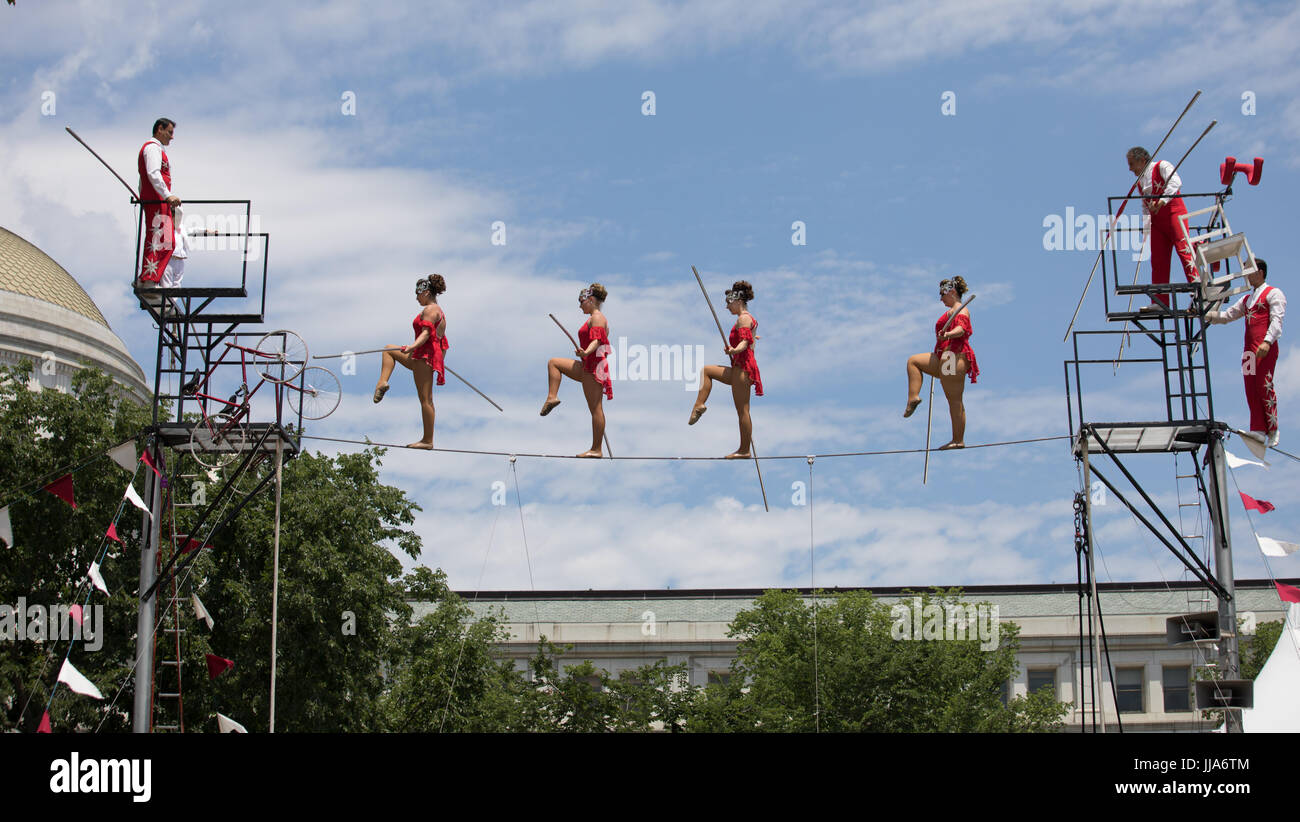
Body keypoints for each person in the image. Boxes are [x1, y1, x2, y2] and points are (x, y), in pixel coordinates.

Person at [1206, 258, 1285, 446]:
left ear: (1260, 272)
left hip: (1264, 348)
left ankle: (1273, 428)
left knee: (1264, 385)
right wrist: (1206, 314)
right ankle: (1258, 428)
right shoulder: (1247, 299)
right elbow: (1227, 316)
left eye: (1249, 270)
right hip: (1249, 352)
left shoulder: (1273, 293)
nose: (1246, 275)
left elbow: (1277, 320)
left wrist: (1268, 341)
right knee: (1250, 388)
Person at [373, 274, 448, 449]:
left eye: (417, 294)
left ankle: (428, 441)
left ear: (426, 292)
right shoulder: (438, 312)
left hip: (423, 358)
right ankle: (382, 382)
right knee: (389, 349)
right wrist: (439, 360)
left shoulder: (431, 310)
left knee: (426, 400)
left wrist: (413, 347)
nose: (416, 298)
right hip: (420, 356)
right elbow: (442, 343)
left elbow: (426, 334)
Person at [689, 280, 762, 459]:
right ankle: (699, 405)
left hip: (743, 370)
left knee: (743, 411)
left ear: (738, 301)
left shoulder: (744, 318)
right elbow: (749, 339)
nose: (727, 307)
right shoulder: (746, 319)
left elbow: (745, 342)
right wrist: (739, 347)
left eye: (729, 302)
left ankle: (744, 450)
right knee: (707, 371)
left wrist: (734, 350)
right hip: (739, 369)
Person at [904, 276, 979, 450]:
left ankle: (958, 440)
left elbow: (962, 328)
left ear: (951, 292)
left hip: (953, 357)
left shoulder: (960, 310)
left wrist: (948, 334)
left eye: (942, 295)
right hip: (943, 357)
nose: (940, 299)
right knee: (913, 361)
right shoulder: (952, 310)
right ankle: (913, 397)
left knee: (954, 400)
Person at [540, 283, 612, 458]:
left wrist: (586, 352)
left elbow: (597, 340)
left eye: (581, 301)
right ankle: (552, 397)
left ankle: (596, 449)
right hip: (587, 365)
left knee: (595, 408)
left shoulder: (598, 317)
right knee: (554, 363)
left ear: (591, 300)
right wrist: (585, 354)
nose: (580, 306)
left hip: (594, 368)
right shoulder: (592, 318)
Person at [1127, 146, 1198, 309]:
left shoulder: (1162, 166)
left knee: (1184, 250)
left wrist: (1162, 201)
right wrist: (1146, 227)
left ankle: (1197, 288)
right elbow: (1145, 206)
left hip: (1173, 213)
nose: (1130, 169)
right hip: (1157, 222)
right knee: (1158, 261)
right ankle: (1160, 301)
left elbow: (1176, 182)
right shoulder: (1140, 183)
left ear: (1141, 160)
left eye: (1132, 164)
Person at [136, 118, 189, 292]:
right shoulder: (152, 148)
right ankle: (149, 279)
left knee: (164, 240)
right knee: (160, 239)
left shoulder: (156, 149)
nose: (172, 137)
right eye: (170, 132)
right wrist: (167, 195)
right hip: (157, 200)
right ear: (160, 129)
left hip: (159, 200)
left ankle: (149, 278)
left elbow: (144, 179)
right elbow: (153, 173)